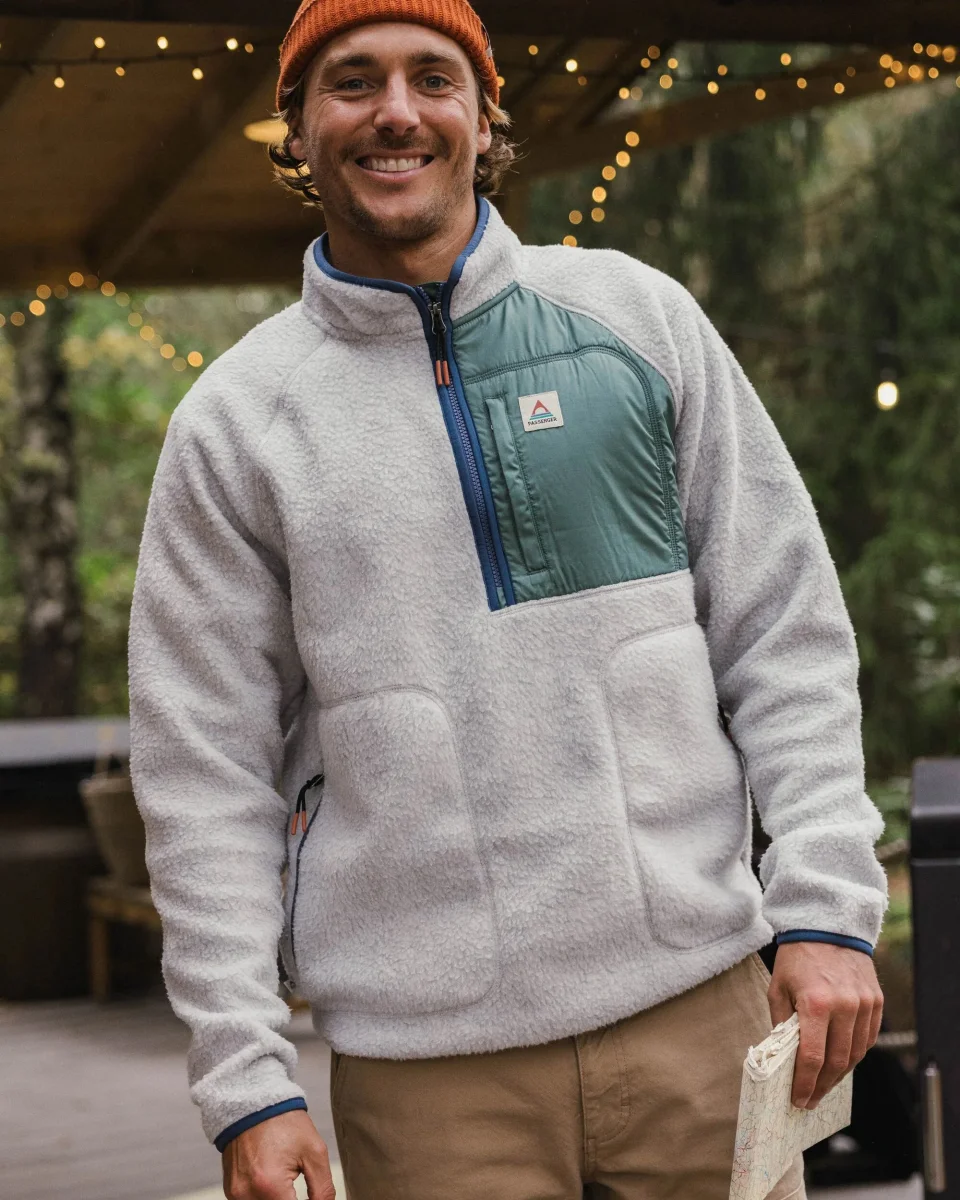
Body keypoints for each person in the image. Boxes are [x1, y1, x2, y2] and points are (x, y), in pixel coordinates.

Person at [128, 2, 888, 1197]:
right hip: (428, 1078)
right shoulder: (236, 425)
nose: (395, 111)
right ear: (297, 130)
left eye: (433, 78)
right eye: (352, 81)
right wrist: (246, 1082)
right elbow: (201, 773)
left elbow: (783, 631)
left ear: (485, 120)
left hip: (701, 1018)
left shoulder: (637, 321)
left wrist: (829, 907)